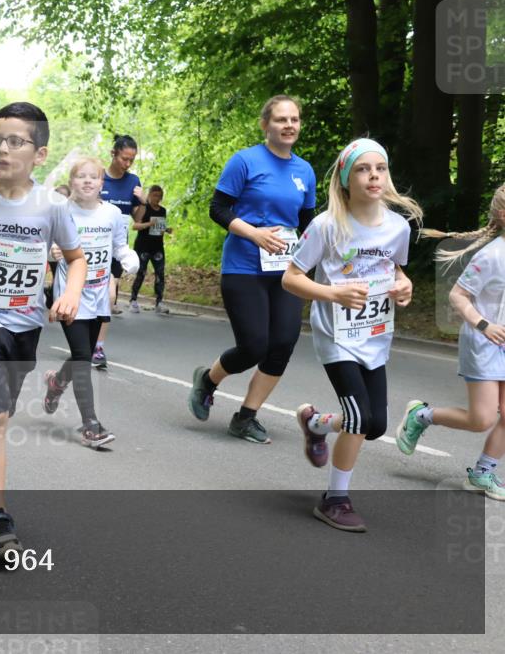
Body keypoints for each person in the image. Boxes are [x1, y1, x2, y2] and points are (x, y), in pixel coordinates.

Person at [0, 102, 85, 553]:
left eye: (15, 142)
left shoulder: (54, 206)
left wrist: (70, 293)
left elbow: (76, 258)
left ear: (39, 155)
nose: (2, 149)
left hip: (26, 323)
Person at [282, 137, 421, 532]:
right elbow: (290, 279)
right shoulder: (326, 225)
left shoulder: (397, 227)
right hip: (336, 333)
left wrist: (404, 286)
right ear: (346, 178)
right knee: (359, 416)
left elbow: (396, 272)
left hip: (375, 334)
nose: (373, 175)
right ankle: (335, 499)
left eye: (380, 168)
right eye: (363, 168)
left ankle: (316, 424)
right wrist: (331, 293)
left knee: (373, 424)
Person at [187, 95, 316, 444]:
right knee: (254, 345)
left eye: (294, 119)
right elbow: (218, 208)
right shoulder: (245, 161)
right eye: (281, 120)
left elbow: (307, 224)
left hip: (286, 272)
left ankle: (246, 417)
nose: (289, 125)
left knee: (284, 342)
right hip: (243, 266)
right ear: (265, 125)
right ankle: (208, 380)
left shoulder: (304, 170)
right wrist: (253, 233)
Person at [396, 183, 505, 500]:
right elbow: (458, 295)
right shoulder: (491, 256)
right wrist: (483, 324)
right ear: (502, 214)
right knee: (481, 419)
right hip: (484, 342)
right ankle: (421, 415)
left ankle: (482, 474)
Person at [42, 157, 139, 448]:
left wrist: (128, 258)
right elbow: (42, 245)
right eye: (80, 177)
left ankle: (56, 383)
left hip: (98, 295)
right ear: (71, 182)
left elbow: (119, 246)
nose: (87, 181)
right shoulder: (60, 212)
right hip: (69, 295)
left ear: (101, 184)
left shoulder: (111, 214)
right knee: (83, 357)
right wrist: (53, 253)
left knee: (80, 355)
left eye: (93, 177)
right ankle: (91, 425)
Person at [92, 134, 143, 368]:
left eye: (131, 160)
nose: (128, 164)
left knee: (109, 296)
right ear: (114, 154)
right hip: (91, 246)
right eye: (125, 158)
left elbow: (137, 220)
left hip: (114, 250)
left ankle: (98, 348)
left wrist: (141, 202)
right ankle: (84, 340)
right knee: (86, 298)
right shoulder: (98, 178)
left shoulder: (133, 181)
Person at [129, 184, 173, 313]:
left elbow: (159, 227)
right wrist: (149, 224)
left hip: (157, 246)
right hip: (143, 246)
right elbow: (135, 226)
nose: (157, 198)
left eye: (159, 196)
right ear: (149, 195)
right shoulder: (144, 208)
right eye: (155, 195)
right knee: (141, 273)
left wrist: (166, 230)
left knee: (160, 274)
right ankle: (133, 300)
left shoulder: (162, 210)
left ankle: (159, 302)